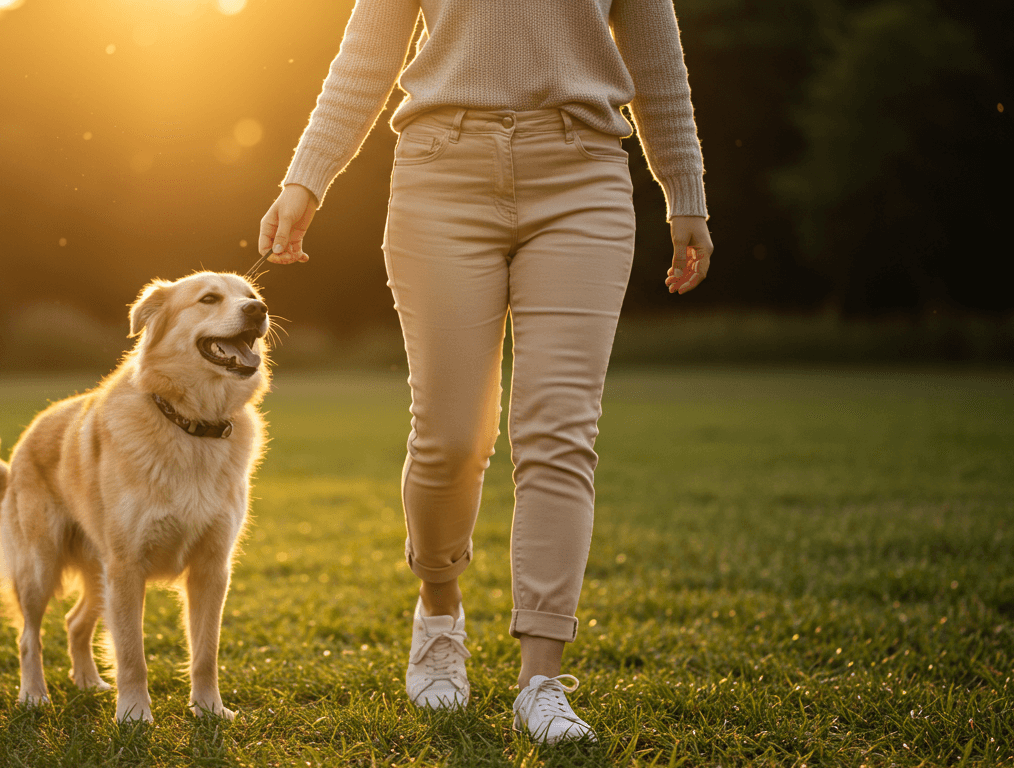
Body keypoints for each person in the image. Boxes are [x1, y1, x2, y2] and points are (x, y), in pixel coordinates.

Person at [257, 0, 714, 745]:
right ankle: (440, 614)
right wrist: (306, 179)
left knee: (558, 430)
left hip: (583, 174)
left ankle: (542, 681)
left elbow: (659, 65)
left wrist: (684, 190)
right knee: (448, 437)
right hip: (442, 174)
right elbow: (366, 56)